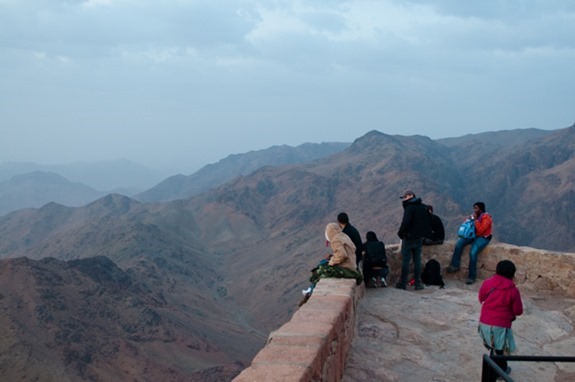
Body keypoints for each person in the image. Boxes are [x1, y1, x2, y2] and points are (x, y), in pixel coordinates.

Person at [478, 260, 523, 380]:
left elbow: (481, 298)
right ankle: (500, 371)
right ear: (512, 274)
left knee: (495, 348)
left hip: (485, 323)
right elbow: (518, 310)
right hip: (501, 325)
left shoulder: (487, 283)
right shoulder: (513, 290)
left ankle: (496, 368)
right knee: (500, 349)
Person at [446, 202, 493, 285]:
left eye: (476, 208)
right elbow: (466, 223)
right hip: (473, 235)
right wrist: (468, 219)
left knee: (473, 252)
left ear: (481, 209)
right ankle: (455, 265)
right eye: (474, 208)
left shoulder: (487, 218)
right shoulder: (475, 216)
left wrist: (475, 221)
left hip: (483, 237)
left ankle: (472, 276)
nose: (474, 210)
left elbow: (481, 230)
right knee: (459, 243)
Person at [395, 190, 432, 290]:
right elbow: (428, 221)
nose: (404, 199)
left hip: (409, 238)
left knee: (406, 261)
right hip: (419, 238)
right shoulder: (423, 207)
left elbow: (406, 222)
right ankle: (418, 283)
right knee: (417, 261)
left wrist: (400, 233)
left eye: (405, 197)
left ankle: (403, 283)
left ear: (411, 196)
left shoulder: (410, 208)